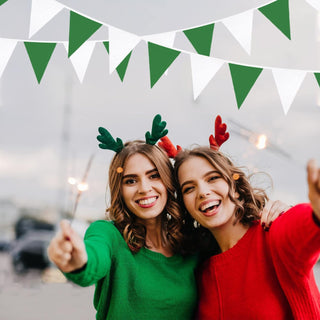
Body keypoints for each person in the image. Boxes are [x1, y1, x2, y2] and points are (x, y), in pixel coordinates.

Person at [47, 115, 288, 320]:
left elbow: (240, 243)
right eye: (130, 180)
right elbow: (92, 260)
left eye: (154, 176)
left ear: (169, 181)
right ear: (119, 189)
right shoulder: (108, 235)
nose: (144, 188)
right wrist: (77, 260)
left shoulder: (195, 245)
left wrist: (280, 214)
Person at [174, 145, 320, 319]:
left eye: (212, 178)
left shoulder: (271, 233)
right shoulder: (200, 270)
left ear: (234, 188)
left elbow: (303, 225)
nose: (203, 192)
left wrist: (316, 213)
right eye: (189, 188)